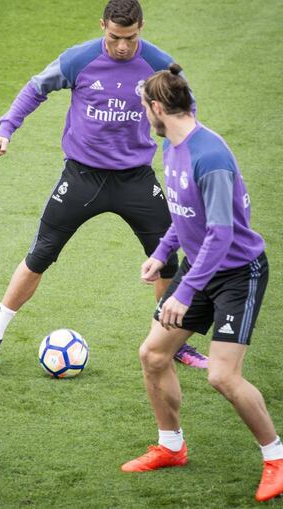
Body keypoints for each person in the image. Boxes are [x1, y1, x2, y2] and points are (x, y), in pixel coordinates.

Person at [0, 0, 208, 379]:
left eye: (129, 37)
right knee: (39, 255)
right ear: (102, 27)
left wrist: (187, 155)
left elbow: (187, 108)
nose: (123, 46)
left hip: (136, 180)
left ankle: (174, 342)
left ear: (140, 28)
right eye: (115, 37)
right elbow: (35, 88)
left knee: (169, 258)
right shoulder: (79, 59)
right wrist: (5, 129)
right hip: (81, 178)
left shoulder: (160, 64)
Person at [120, 64, 283, 502]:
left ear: (158, 107)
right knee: (153, 354)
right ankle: (171, 446)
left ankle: (277, 458)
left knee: (222, 375)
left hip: (236, 274)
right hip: (200, 267)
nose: (143, 117)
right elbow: (183, 214)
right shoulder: (173, 146)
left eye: (144, 109)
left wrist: (187, 289)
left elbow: (222, 233)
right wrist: (160, 253)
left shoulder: (208, 156)